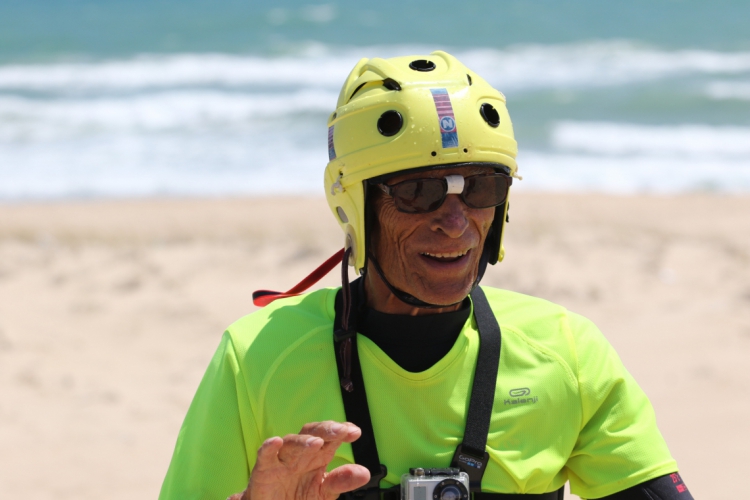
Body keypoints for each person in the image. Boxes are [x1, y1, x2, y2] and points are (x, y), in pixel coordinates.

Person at [159, 52, 693, 500]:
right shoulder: (255, 357)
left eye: (481, 188)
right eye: (419, 191)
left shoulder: (568, 353)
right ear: (356, 204)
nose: (456, 222)